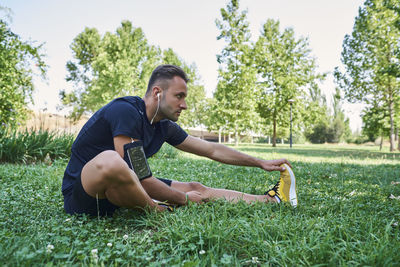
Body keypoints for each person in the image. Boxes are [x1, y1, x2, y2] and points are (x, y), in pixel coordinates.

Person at [62, 64, 297, 216]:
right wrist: (182, 199)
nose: (184, 104)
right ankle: (157, 211)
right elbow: (142, 177)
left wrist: (260, 162)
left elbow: (212, 150)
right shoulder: (126, 112)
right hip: (83, 196)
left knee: (198, 188)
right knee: (113, 161)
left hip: (119, 193)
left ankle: (269, 201)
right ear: (157, 93)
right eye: (179, 96)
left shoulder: (163, 126)